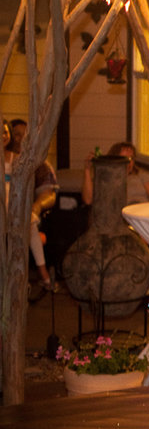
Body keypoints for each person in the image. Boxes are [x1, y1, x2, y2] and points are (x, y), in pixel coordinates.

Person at [82, 141, 149, 307]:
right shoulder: (104, 178)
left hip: (141, 222)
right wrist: (87, 170)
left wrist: (143, 221)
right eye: (124, 158)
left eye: (131, 158)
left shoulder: (142, 177)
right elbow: (88, 199)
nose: (129, 162)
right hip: (115, 225)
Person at [4, 119, 60, 297]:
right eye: (17, 134)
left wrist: (36, 207)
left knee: (28, 223)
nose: (20, 139)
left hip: (20, 210)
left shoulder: (37, 162)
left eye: (24, 135)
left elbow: (49, 192)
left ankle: (36, 274)